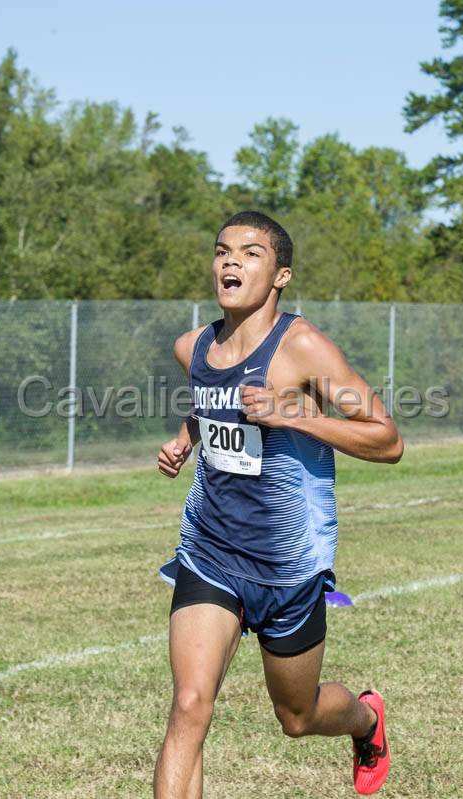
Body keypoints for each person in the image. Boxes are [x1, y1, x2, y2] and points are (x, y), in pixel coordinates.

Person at [153, 211, 403, 797]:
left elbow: (387, 440)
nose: (230, 261)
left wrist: (295, 413)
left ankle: (366, 720)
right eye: (221, 251)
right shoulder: (192, 347)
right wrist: (187, 437)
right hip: (210, 552)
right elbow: (216, 406)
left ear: (281, 274)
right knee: (190, 705)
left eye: (249, 252)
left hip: (287, 563)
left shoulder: (304, 347)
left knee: (298, 716)